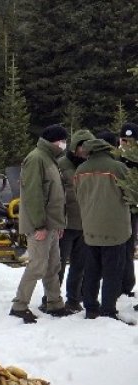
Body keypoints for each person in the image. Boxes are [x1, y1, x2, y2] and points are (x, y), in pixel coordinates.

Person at [9, 125, 71, 323]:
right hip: (41, 226)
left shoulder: (51, 159)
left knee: (53, 266)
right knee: (37, 266)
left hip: (51, 225)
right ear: (55, 141)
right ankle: (19, 305)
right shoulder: (36, 159)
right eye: (63, 140)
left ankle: (55, 303)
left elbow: (55, 194)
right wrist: (39, 226)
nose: (64, 144)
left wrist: (58, 223)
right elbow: (34, 196)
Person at [75, 136, 136, 325]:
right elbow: (132, 194)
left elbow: (79, 196)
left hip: (90, 227)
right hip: (115, 228)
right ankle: (108, 310)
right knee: (112, 271)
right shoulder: (118, 168)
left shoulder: (80, 170)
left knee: (92, 269)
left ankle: (91, 307)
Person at [40, 129, 93, 314]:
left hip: (85, 224)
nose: (85, 150)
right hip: (65, 224)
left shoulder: (91, 165)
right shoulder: (61, 164)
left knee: (80, 266)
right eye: (82, 146)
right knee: (57, 265)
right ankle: (50, 299)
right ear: (75, 147)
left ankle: (73, 299)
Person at [118, 123, 138, 300]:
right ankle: (124, 284)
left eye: (130, 141)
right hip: (121, 208)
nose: (126, 144)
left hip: (134, 208)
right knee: (123, 247)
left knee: (128, 247)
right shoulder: (117, 160)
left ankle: (127, 284)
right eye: (124, 140)